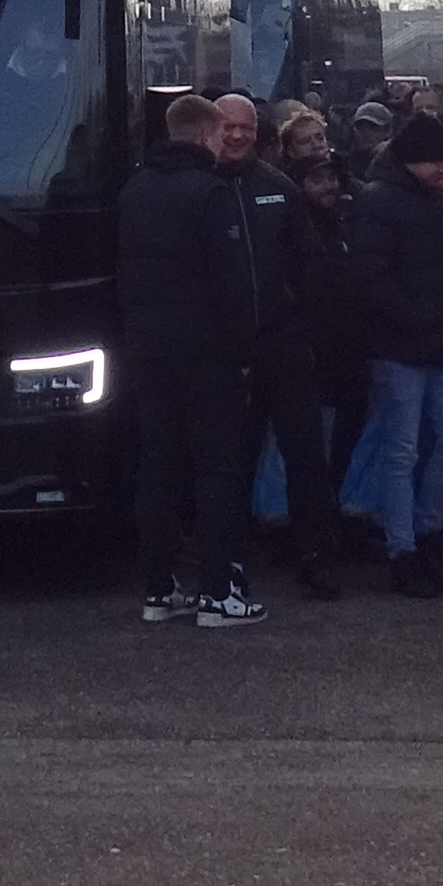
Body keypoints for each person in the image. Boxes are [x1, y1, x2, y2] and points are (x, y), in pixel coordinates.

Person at [113, 93, 259, 627]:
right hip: (207, 355)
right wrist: (244, 353)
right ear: (204, 136)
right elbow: (232, 284)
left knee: (158, 470)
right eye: (221, 136)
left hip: (147, 353)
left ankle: (159, 587)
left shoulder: (134, 192)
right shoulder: (211, 195)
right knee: (216, 469)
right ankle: (218, 592)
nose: (227, 144)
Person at [346, 110, 443, 596]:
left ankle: (422, 532)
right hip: (404, 346)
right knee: (405, 450)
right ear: (412, 164)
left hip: (440, 344)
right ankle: (406, 546)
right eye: (436, 162)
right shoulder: (381, 204)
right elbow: (370, 278)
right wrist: (431, 316)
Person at [231, 97, 342, 601]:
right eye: (227, 127)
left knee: (305, 458)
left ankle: (314, 557)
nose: (235, 136)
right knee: (232, 457)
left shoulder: (278, 190)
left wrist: (300, 325)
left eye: (244, 127)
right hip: (230, 352)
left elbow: (311, 266)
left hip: (286, 347)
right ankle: (229, 559)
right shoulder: (207, 191)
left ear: (258, 133)